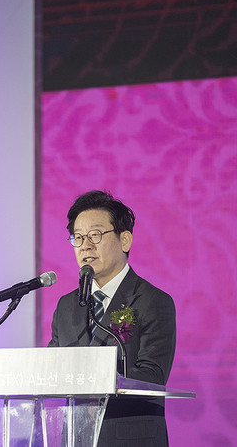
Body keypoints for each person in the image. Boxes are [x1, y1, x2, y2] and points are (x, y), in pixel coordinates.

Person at [48, 190, 176, 447]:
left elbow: (153, 375)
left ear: (125, 240)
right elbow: (53, 369)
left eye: (95, 235)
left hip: (130, 439)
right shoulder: (66, 306)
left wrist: (92, 379)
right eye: (78, 237)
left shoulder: (153, 301)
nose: (85, 245)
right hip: (76, 438)